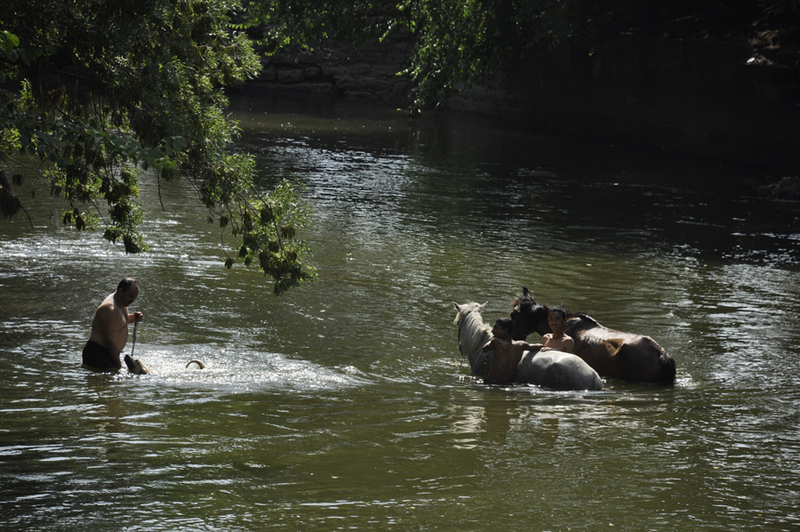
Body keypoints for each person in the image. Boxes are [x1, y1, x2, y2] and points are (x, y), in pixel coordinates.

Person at [82, 278, 143, 371]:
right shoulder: (110, 309)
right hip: (98, 354)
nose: (132, 300)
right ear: (121, 291)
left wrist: (134, 318)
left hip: (108, 353)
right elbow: (110, 341)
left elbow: (119, 322)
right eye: (130, 296)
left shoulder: (122, 303)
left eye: (134, 297)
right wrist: (119, 366)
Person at [482, 317, 542, 384]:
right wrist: (546, 346)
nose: (492, 331)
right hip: (507, 385)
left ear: (505, 331)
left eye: (495, 328)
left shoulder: (496, 342)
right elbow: (535, 346)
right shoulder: (521, 345)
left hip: (491, 383)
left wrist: (492, 339)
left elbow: (485, 348)